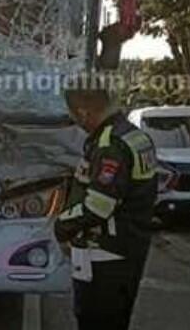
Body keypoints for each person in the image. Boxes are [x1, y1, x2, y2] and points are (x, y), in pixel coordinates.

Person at [55, 82, 158, 330]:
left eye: (73, 116)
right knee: (116, 320)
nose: (76, 123)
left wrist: (62, 226)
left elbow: (98, 207)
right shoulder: (134, 135)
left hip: (104, 255)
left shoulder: (109, 144)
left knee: (95, 319)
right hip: (130, 248)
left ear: (83, 112)